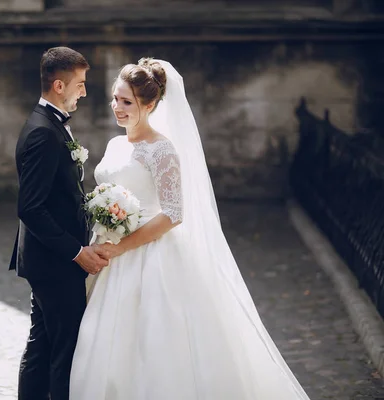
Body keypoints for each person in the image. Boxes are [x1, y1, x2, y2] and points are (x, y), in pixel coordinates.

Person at [69, 58, 311, 399]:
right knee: (102, 338)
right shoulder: (114, 145)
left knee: (152, 346)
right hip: (108, 255)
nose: (117, 107)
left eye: (127, 102)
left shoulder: (162, 150)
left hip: (150, 255)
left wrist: (122, 246)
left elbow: (172, 213)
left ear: (149, 105)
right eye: (115, 98)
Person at [9, 46, 108, 400]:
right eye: (80, 83)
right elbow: (31, 208)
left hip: (48, 260)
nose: (84, 90)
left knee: (42, 346)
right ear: (59, 85)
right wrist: (77, 252)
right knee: (64, 352)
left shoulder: (50, 124)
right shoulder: (42, 133)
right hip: (55, 262)